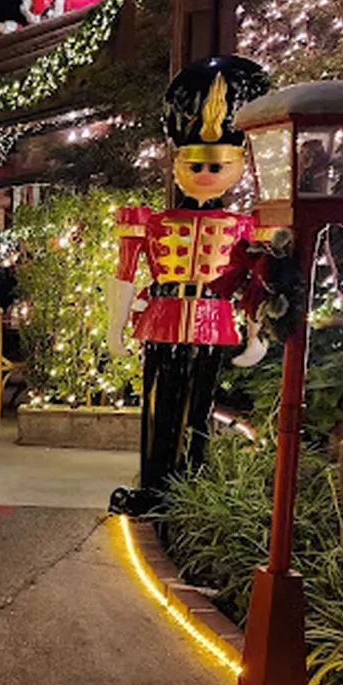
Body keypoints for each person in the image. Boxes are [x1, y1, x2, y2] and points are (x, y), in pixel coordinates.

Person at [106, 54, 271, 516]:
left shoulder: (246, 225)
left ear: (237, 164)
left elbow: (256, 281)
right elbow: (123, 274)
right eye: (193, 162)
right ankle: (155, 489)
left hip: (214, 319)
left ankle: (188, 488)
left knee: (198, 411)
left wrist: (256, 333)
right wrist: (114, 327)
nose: (203, 173)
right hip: (162, 318)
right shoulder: (149, 221)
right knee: (158, 409)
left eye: (217, 166)